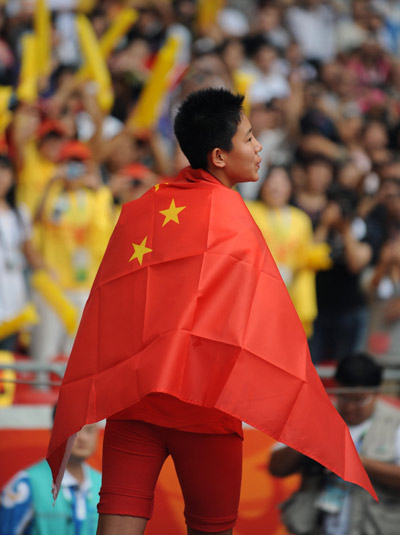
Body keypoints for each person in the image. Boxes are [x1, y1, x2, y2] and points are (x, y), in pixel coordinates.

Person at [47, 88, 375, 535]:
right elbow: (257, 325)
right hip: (208, 412)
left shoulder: (143, 208)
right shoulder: (234, 218)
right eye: (250, 137)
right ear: (220, 156)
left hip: (134, 404)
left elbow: (111, 301)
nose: (259, 147)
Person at [269, 352, 400, 535]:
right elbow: (276, 468)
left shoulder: (395, 422)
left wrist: (354, 462)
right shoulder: (316, 414)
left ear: (377, 394)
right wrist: (308, 437)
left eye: (360, 400)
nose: (350, 407)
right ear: (337, 388)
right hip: (315, 527)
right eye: (344, 397)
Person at [0, 421, 101, 535]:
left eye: (90, 430)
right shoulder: (25, 484)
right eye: (75, 430)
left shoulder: (104, 485)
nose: (83, 437)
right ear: (54, 432)